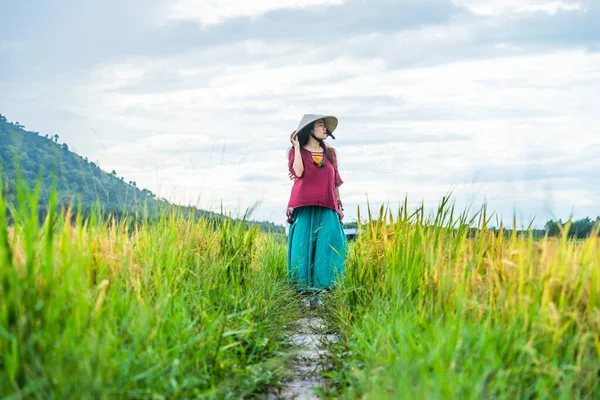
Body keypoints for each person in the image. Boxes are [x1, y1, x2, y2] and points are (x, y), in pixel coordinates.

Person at [286, 114, 348, 303]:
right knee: (302, 248)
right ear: (309, 129)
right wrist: (297, 147)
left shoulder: (331, 153)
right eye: (321, 125)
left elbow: (335, 181)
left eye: (325, 127)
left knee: (330, 246)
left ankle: (323, 292)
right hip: (303, 204)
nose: (325, 130)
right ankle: (302, 294)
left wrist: (339, 205)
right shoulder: (295, 152)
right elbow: (299, 172)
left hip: (327, 204)